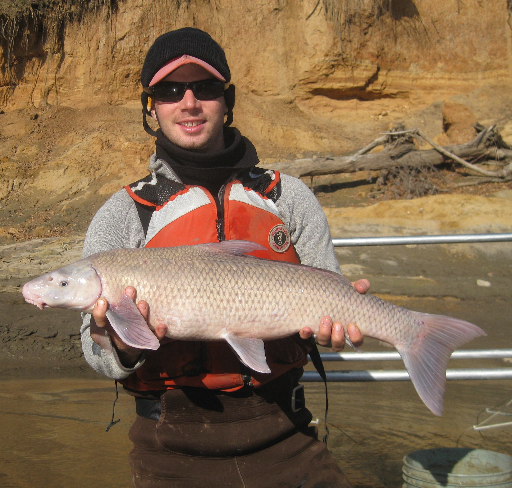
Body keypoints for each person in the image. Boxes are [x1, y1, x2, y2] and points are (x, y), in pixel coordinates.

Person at [80, 27, 370, 488]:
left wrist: (339, 326)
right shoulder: (124, 213)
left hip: (286, 434)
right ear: (151, 107)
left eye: (206, 88)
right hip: (168, 447)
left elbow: (331, 291)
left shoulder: (288, 197)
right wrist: (121, 345)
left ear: (227, 100)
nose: (189, 102)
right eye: (171, 90)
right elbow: (90, 348)